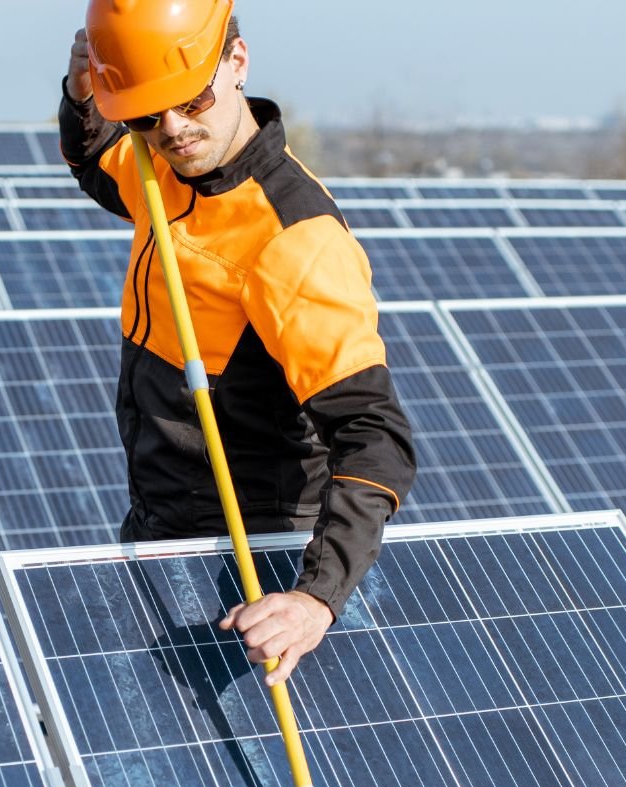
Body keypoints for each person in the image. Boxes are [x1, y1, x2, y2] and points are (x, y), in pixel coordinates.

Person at [61, 0, 416, 687]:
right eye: (146, 113)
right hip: (163, 534)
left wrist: (314, 599)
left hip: (256, 564)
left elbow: (377, 437)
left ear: (239, 62)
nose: (173, 131)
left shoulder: (296, 241)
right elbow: (100, 165)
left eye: (189, 101)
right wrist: (86, 101)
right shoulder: (160, 167)